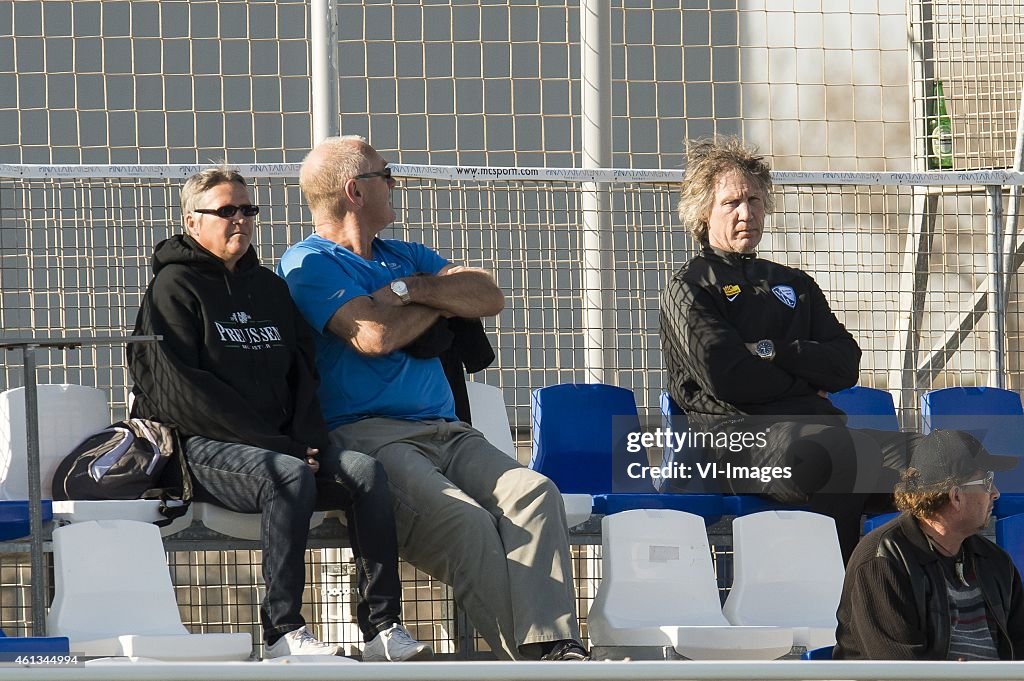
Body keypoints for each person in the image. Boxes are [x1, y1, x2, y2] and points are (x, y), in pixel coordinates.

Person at [277, 135, 588, 661]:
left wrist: (412, 292)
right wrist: (442, 302)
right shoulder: (307, 263)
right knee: (467, 524)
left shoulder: (406, 257)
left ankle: (555, 651)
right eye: (385, 173)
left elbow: (487, 295)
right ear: (354, 190)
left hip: (449, 432)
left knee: (535, 493)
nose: (396, 183)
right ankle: (540, 664)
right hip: (369, 435)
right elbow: (373, 338)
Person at [127, 167, 432, 661]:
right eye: (226, 211)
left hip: (283, 446)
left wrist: (307, 439)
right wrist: (277, 447)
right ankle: (283, 631)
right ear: (191, 221)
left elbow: (303, 374)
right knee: (287, 475)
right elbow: (177, 391)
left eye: (248, 210)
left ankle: (381, 627)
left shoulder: (269, 289)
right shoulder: (172, 289)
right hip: (198, 448)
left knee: (364, 472)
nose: (240, 221)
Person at [659, 136, 916, 562]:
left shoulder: (793, 282)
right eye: (732, 203)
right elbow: (730, 377)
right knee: (834, 456)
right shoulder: (689, 287)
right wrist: (804, 382)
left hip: (819, 436)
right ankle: (840, 602)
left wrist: (771, 351)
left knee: (944, 458)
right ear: (703, 213)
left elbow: (845, 364)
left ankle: (934, 604)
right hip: (735, 448)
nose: (748, 213)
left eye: (756, 200)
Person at [834, 429, 1024, 660]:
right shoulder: (882, 561)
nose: (995, 493)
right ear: (956, 496)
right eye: (987, 482)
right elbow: (900, 669)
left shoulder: (994, 561)